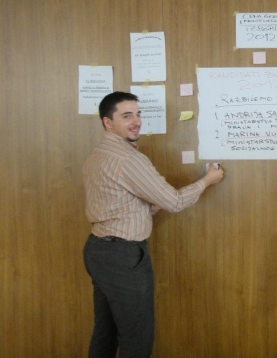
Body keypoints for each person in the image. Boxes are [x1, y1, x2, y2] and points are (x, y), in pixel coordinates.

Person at [82, 91, 224, 358]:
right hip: (122, 256)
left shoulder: (98, 155)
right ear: (107, 122)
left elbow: (120, 203)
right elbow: (175, 202)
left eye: (138, 114)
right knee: (137, 338)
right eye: (127, 116)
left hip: (98, 251)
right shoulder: (128, 159)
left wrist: (151, 204)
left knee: (106, 331)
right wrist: (208, 180)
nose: (136, 121)